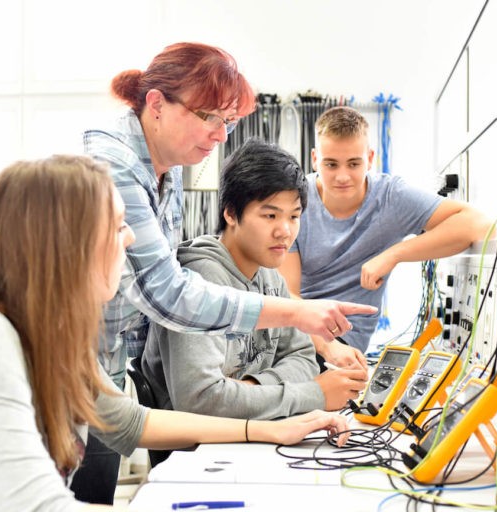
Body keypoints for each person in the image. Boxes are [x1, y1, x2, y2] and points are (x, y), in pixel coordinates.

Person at [0, 155, 351, 512]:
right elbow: (37, 506)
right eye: (117, 226)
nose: (131, 239)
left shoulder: (52, 341)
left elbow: (133, 423)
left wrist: (266, 431)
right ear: (65, 241)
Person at [77, 43, 374, 502]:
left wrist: (262, 393)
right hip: (76, 373)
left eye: (228, 122)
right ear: (156, 105)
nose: (220, 135)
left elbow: (132, 418)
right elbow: (166, 293)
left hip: (107, 381)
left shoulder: (168, 165)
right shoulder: (113, 164)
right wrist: (300, 337)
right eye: (209, 117)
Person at [142, 139, 368, 421]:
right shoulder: (199, 280)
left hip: (258, 432)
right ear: (230, 213)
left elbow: (304, 358)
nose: (285, 231)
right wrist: (313, 394)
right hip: (199, 452)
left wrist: (249, 389)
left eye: (294, 217)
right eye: (270, 215)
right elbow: (201, 401)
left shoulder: (270, 274)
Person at [279, 106, 491, 370]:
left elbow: (476, 223)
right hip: (300, 333)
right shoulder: (295, 202)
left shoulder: (391, 197)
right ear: (314, 159)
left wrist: (394, 254)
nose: (342, 176)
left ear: (370, 158)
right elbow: (287, 295)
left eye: (354, 164)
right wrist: (324, 345)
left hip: (342, 344)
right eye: (330, 164)